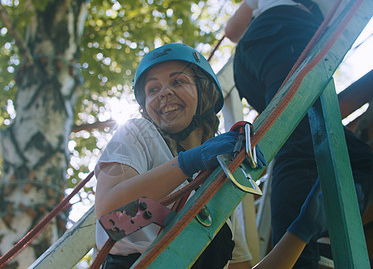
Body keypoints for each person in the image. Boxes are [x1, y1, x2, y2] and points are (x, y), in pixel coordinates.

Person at [224, 0, 373, 267]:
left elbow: (232, 30)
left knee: (353, 161)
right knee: (300, 148)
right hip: (290, 33)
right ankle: (299, 259)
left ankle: (318, 240)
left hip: (252, 59)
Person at [94, 43, 256, 268]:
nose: (164, 92)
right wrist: (188, 162)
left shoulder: (219, 184)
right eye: (152, 89)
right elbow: (110, 218)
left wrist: (298, 233)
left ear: (204, 93)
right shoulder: (139, 134)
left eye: (177, 81)